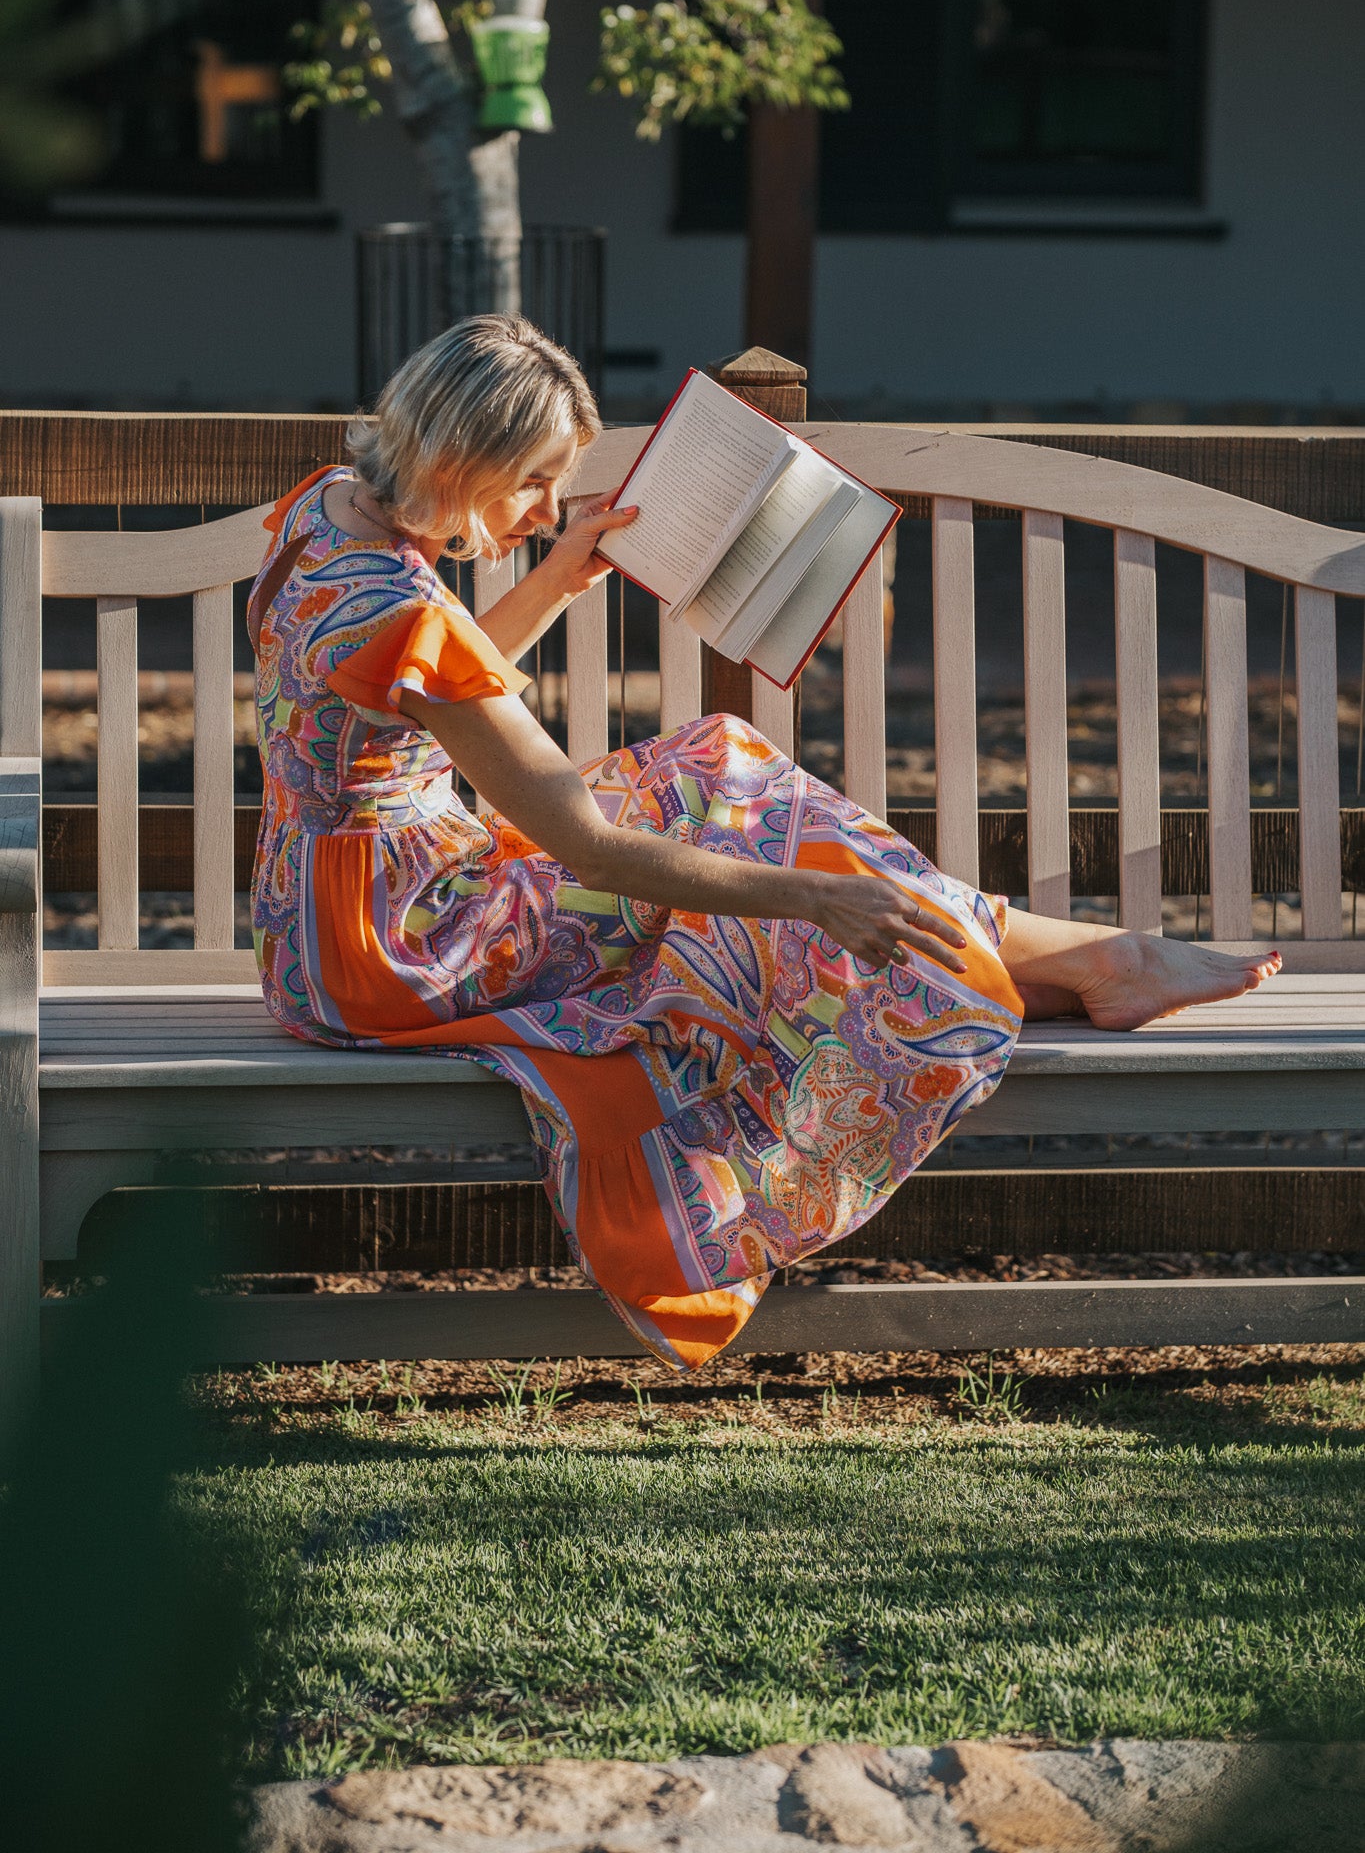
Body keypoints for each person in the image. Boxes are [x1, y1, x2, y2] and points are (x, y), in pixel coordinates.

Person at [249, 315, 1279, 1370]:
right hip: (398, 945)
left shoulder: (325, 514)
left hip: (324, 919)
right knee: (746, 833)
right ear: (460, 460)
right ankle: (1091, 957)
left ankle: (1078, 961)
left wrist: (556, 573)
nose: (549, 510)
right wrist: (808, 897)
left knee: (714, 763)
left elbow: (413, 695)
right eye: (534, 483)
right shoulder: (395, 610)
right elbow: (593, 852)